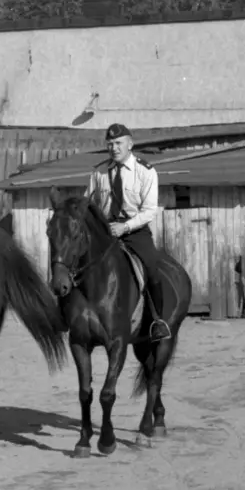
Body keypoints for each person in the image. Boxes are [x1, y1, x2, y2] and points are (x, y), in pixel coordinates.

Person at [85, 123, 171, 340]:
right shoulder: (99, 172)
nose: (114, 148)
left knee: (152, 269)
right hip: (104, 231)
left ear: (130, 144)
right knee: (74, 260)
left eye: (118, 143)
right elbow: (89, 203)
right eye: (110, 144)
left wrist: (125, 226)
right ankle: (66, 313)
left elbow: (149, 210)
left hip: (135, 230)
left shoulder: (145, 171)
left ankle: (157, 321)